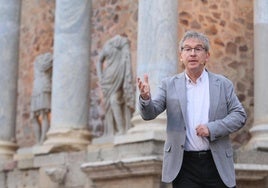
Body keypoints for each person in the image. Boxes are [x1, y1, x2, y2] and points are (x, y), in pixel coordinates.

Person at [137, 31, 247, 188]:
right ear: (181, 56)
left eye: (198, 49)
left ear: (207, 56)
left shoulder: (223, 84)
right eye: (187, 49)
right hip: (184, 165)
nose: (193, 53)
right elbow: (150, 114)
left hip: (216, 163)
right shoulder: (169, 85)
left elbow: (239, 115)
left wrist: (212, 128)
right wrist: (146, 98)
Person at [97, 34, 135, 136]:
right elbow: (99, 61)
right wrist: (100, 77)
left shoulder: (121, 45)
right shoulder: (111, 45)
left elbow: (100, 61)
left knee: (114, 100)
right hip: (108, 80)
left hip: (118, 78)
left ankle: (121, 129)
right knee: (108, 105)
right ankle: (111, 132)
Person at [31, 52, 53, 144]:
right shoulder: (41, 60)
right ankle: (38, 140)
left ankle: (42, 140)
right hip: (37, 87)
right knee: (33, 117)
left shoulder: (49, 58)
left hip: (44, 86)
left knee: (44, 115)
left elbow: (45, 68)